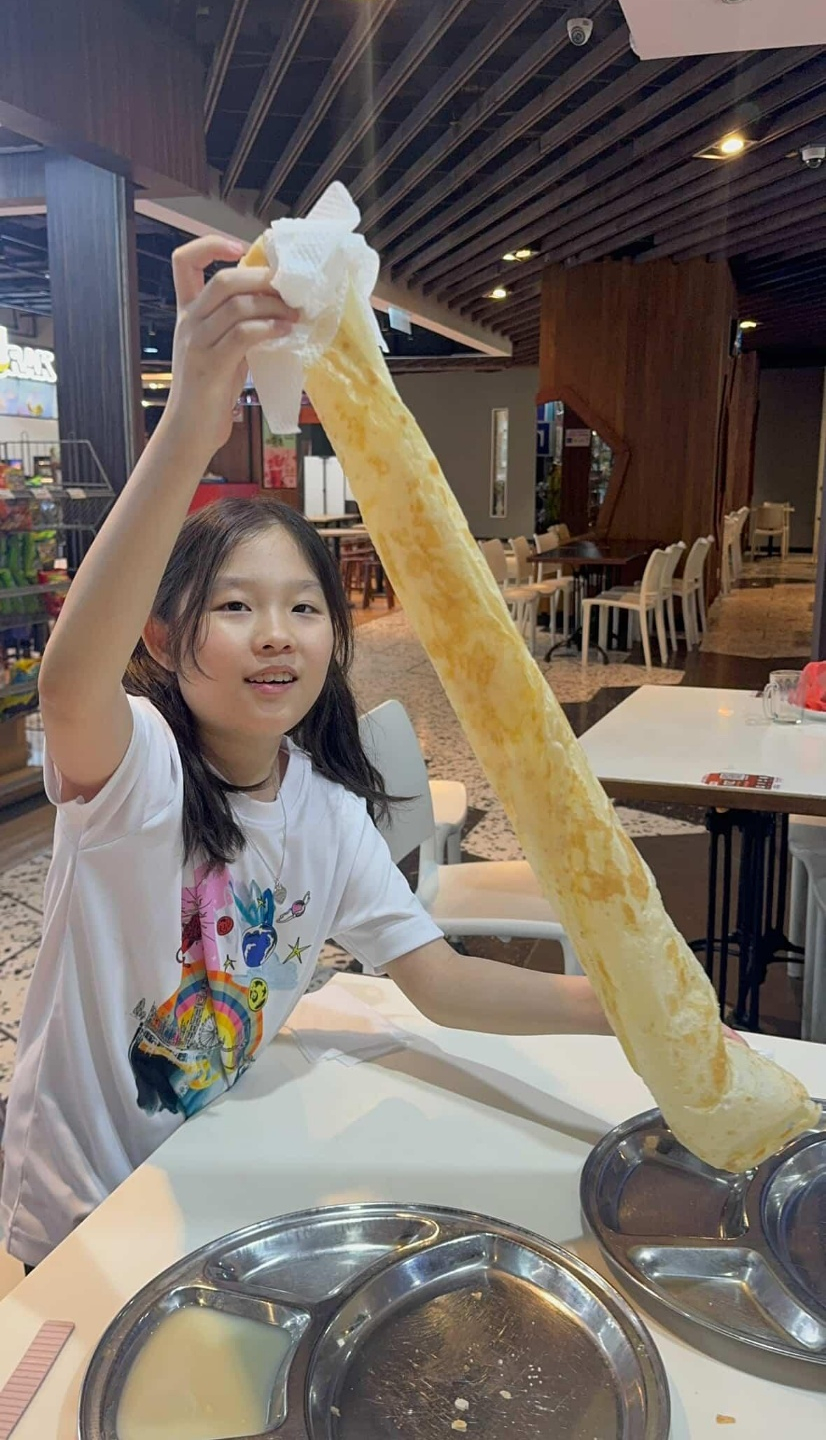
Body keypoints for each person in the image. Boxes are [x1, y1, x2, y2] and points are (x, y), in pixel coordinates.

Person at [1, 237, 614, 1270]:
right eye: (235, 607)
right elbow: (68, 685)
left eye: (302, 608)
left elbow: (439, 980)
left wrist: (614, 1012)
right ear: (164, 638)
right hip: (83, 1208)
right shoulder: (139, 770)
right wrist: (192, 424)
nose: (276, 635)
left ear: (336, 636)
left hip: (211, 1180)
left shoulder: (327, 810)